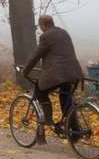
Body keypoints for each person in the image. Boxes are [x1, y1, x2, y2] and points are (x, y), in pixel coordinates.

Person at [22, 15, 83, 143]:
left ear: (43, 25)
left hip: (59, 74)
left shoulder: (46, 37)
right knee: (65, 97)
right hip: (73, 72)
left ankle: (48, 120)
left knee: (40, 91)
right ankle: (75, 130)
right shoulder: (63, 33)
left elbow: (36, 56)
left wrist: (25, 71)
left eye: (40, 27)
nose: (41, 29)